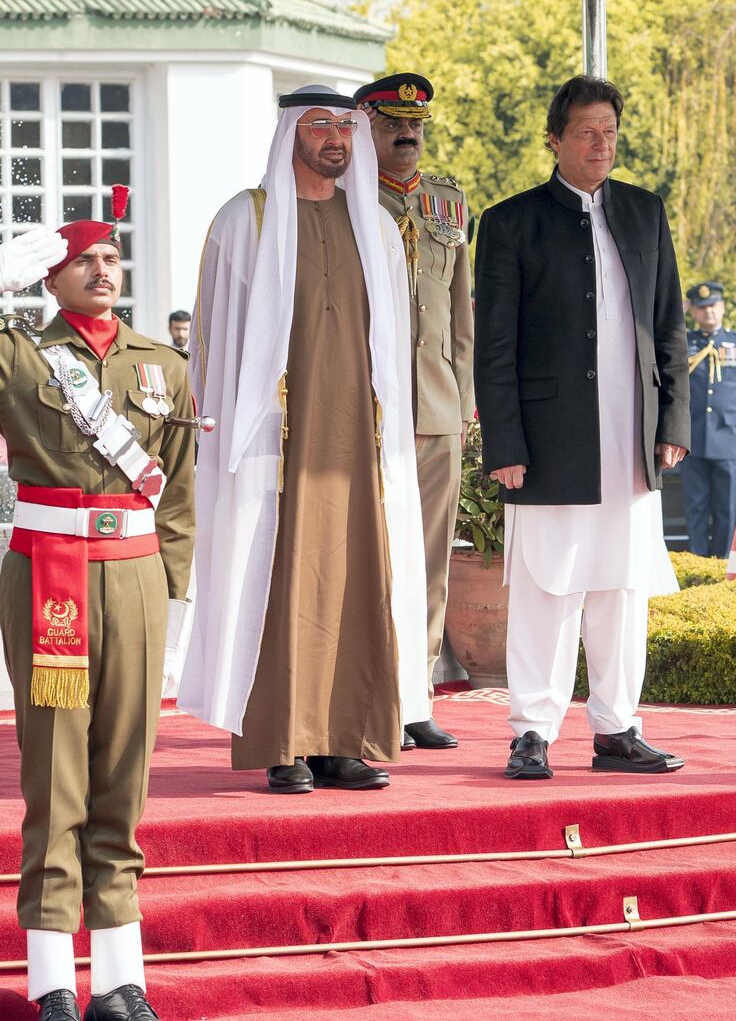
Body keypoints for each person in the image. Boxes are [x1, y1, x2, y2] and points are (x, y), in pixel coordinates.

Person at [178, 85, 428, 794]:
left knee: (355, 582)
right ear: (290, 131)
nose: (335, 140)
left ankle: (344, 740)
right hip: (275, 442)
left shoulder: (376, 225)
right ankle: (283, 742)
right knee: (278, 583)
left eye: (345, 127)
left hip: (357, 442)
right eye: (319, 125)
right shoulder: (244, 221)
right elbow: (211, 342)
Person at [0, 210, 195, 1020]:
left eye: (112, 257)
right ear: (50, 278)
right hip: (49, 575)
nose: (103, 270)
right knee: (57, 777)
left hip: (135, 575)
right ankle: (51, 981)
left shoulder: (163, 364)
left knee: (124, 776)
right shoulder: (19, 354)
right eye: (84, 260)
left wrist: (170, 582)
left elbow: (179, 482)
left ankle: (122, 979)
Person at [474, 74, 690, 781]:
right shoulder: (511, 222)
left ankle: (618, 727)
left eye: (611, 133)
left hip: (631, 437)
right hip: (547, 439)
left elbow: (669, 328)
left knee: (622, 589)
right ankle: (532, 729)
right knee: (547, 586)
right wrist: (504, 443)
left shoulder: (644, 211)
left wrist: (672, 421)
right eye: (588, 133)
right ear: (555, 139)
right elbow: (495, 345)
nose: (602, 145)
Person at [355, 72, 475, 751]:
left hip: (434, 409)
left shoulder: (447, 204)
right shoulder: (341, 203)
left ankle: (413, 695)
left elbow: (460, 315)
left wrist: (464, 403)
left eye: (416, 125)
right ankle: (360, 693)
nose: (408, 134)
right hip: (364, 410)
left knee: (430, 559)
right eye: (394, 123)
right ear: (367, 128)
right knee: (366, 556)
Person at [680, 281, 736, 557]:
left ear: (722, 307)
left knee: (725, 507)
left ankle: (723, 560)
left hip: (729, 438)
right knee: (696, 505)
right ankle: (698, 560)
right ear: (694, 312)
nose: (708, 313)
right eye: (701, 308)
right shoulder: (685, 342)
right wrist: (681, 308)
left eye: (713, 306)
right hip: (693, 438)